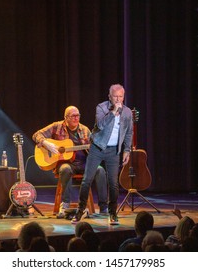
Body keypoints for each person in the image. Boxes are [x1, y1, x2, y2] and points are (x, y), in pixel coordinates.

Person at [72, 84, 133, 225]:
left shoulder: (128, 112)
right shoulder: (101, 108)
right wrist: (113, 113)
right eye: (115, 96)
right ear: (109, 97)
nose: (118, 100)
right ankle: (80, 211)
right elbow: (100, 125)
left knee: (113, 183)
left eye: (121, 96)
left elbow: (129, 132)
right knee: (87, 180)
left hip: (113, 151)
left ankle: (112, 213)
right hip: (97, 148)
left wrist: (127, 150)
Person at [32, 105, 108, 217]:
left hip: (84, 164)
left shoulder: (85, 130)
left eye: (78, 115)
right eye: (73, 116)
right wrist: (45, 143)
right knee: (65, 169)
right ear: (66, 117)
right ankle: (65, 205)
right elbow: (36, 135)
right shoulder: (56, 126)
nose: (76, 118)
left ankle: (103, 207)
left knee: (100, 170)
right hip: (66, 163)